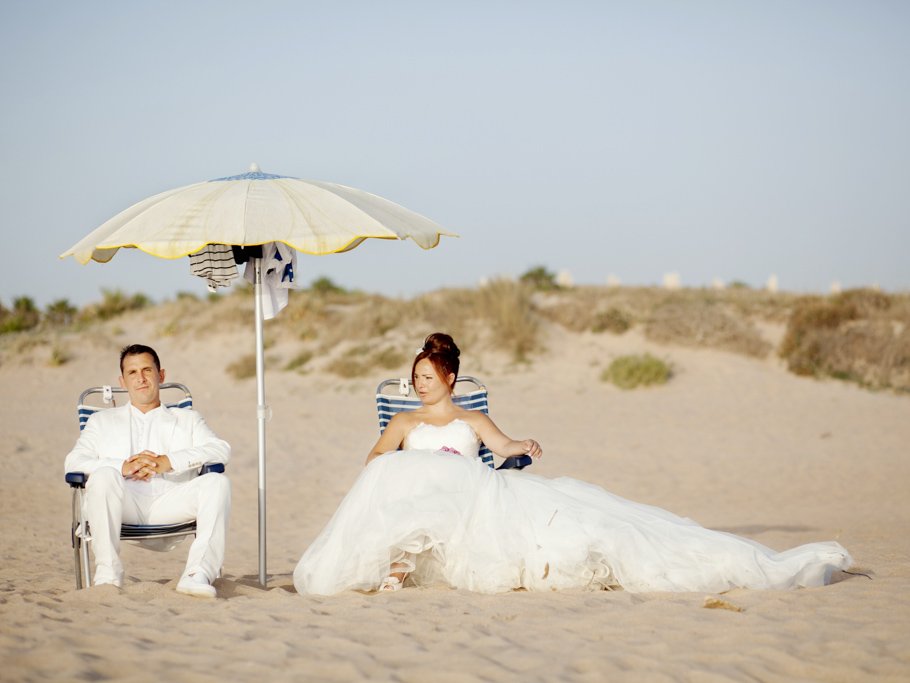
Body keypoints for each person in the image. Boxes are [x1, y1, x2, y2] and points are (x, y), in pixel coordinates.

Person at [294, 333, 852, 596]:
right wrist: (410, 463)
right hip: (424, 502)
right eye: (415, 377)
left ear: (449, 378)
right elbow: (374, 460)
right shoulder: (403, 421)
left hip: (474, 501)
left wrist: (524, 445)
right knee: (414, 488)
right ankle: (396, 569)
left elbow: (502, 446)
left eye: (427, 377)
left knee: (588, 528)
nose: (419, 384)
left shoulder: (471, 417)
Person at [65, 344, 231, 598]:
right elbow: (74, 461)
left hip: (169, 500)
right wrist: (122, 466)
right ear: (123, 381)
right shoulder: (101, 421)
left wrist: (168, 461)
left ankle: (197, 574)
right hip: (122, 503)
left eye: (147, 370)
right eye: (132, 372)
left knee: (217, 483)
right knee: (104, 475)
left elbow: (220, 450)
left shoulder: (187, 419)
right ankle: (108, 577)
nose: (140, 378)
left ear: (160, 375)